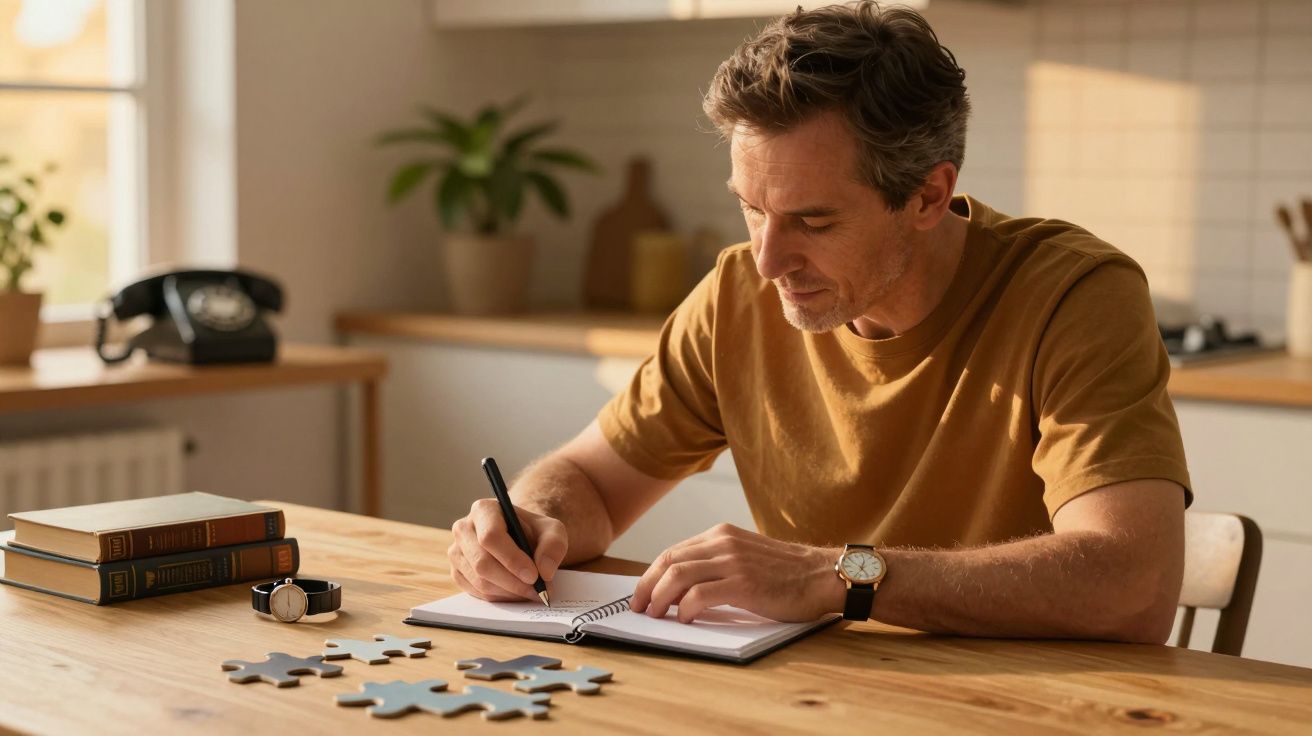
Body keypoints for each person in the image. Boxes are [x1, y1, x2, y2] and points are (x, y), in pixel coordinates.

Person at [447, 1, 1192, 644]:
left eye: (813, 220)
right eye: (752, 208)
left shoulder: (1074, 295)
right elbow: (591, 484)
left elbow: (1133, 583)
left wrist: (839, 575)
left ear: (929, 197)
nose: (768, 259)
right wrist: (533, 521)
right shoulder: (737, 293)